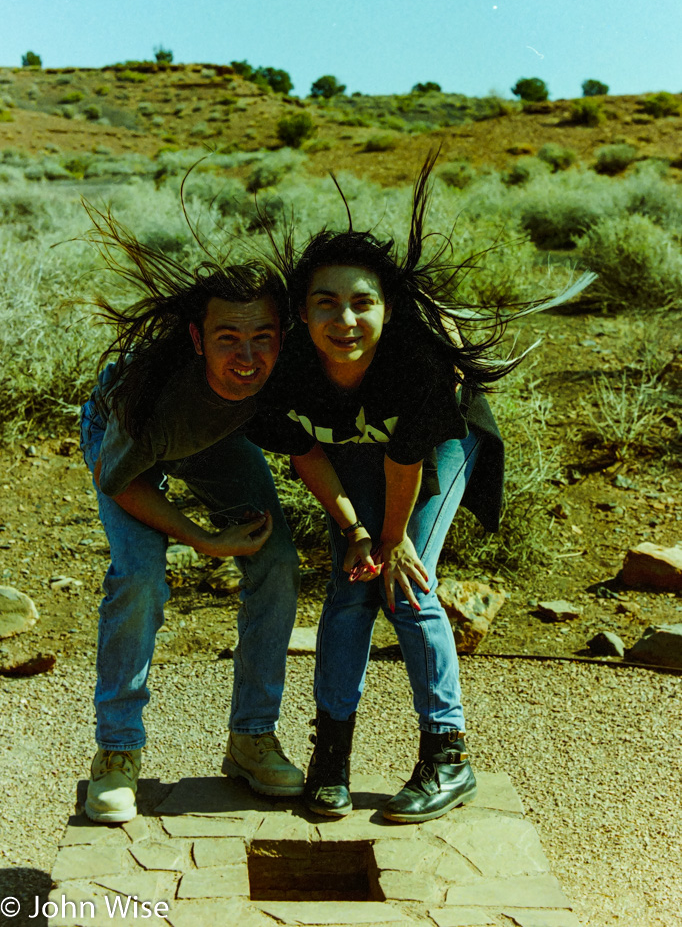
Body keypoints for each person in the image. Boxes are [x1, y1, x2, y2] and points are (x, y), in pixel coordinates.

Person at [249, 153, 592, 823]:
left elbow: (407, 463)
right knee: (350, 587)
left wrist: (393, 538)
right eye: (326, 304)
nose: (343, 321)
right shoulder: (284, 367)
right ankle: (332, 758)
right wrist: (354, 533)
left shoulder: (417, 365)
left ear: (386, 309)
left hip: (436, 450)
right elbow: (306, 452)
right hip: (349, 455)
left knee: (407, 586)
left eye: (361, 304)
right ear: (302, 312)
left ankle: (447, 756)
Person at [78, 209, 303, 823]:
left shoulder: (287, 367)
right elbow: (121, 484)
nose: (249, 355)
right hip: (127, 452)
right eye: (228, 338)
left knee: (278, 559)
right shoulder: (150, 395)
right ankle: (117, 752)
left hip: (215, 439)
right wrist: (204, 538)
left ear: (284, 334)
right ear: (198, 338)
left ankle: (251, 739)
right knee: (142, 575)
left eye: (263, 336)